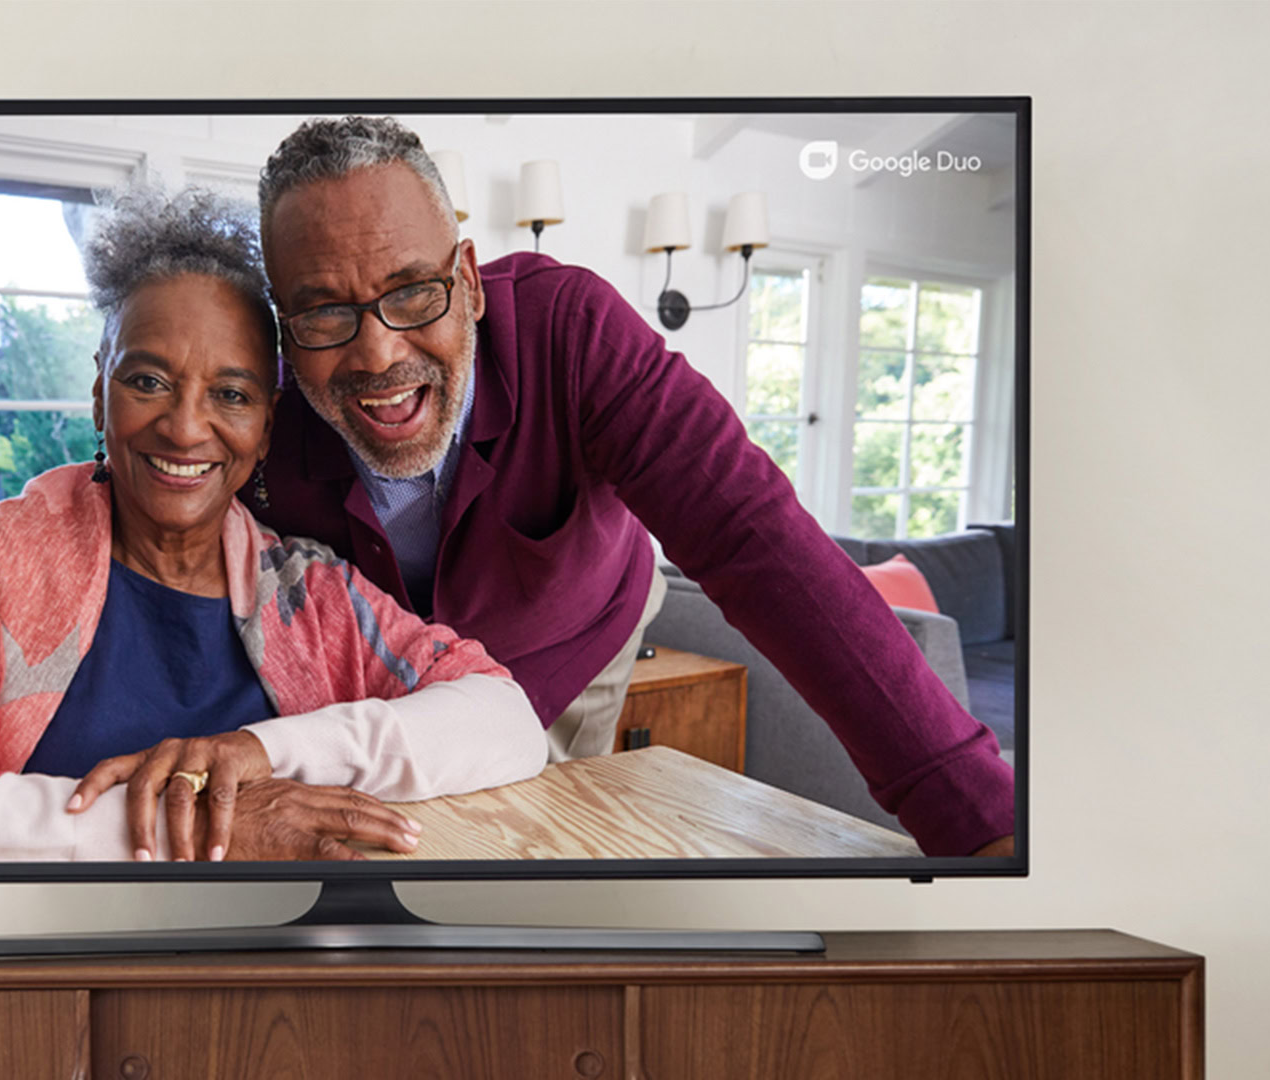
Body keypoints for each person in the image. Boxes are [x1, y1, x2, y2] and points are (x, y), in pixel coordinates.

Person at [250, 116, 1014, 858]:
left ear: (471, 282)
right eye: (323, 312)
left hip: (575, 633)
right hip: (381, 679)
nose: (378, 353)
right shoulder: (258, 413)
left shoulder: (573, 331)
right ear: (285, 331)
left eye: (415, 290)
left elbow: (756, 538)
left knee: (543, 829)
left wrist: (976, 818)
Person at [0, 187, 546, 864]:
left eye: (231, 394)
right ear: (99, 391)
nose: (186, 429)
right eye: (148, 380)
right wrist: (182, 826)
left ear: (266, 422)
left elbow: (507, 722)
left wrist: (261, 755)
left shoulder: (308, 588)